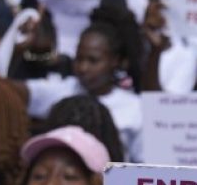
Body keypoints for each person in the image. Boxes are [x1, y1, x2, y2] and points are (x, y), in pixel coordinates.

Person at [11, 17, 143, 162]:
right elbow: (7, 91)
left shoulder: (136, 108)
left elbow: (143, 164)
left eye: (93, 60)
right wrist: (19, 50)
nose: (83, 68)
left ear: (115, 61)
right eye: (79, 59)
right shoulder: (64, 89)